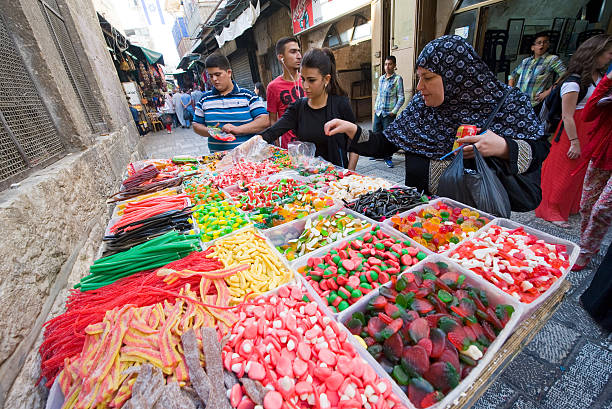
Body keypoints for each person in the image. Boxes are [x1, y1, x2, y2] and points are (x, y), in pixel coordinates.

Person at [323, 35, 548, 195]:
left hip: (478, 224)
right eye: (419, 77)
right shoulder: (421, 107)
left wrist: (504, 147)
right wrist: (352, 129)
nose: (420, 86)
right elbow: (386, 143)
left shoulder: (506, 102)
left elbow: (540, 149)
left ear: (457, 75)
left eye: (428, 78)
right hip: (421, 215)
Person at [536, 35, 612, 228]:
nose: (610, 58)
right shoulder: (574, 81)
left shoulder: (599, 78)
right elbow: (567, 115)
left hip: (589, 131)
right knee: (564, 172)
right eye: (608, 53)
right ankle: (552, 209)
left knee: (578, 172)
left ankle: (568, 206)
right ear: (596, 54)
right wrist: (575, 141)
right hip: (572, 132)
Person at [253, 48, 357, 168]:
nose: (305, 86)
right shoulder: (298, 107)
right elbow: (272, 132)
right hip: (308, 176)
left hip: (337, 178)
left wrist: (350, 171)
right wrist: (249, 145)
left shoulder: (340, 104)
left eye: (311, 80)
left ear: (326, 79)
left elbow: (355, 138)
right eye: (303, 79)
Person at [572, 66, 612, 270]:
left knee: (601, 208)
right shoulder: (608, 82)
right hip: (602, 152)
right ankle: (590, 243)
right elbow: (588, 114)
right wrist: (607, 81)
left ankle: (585, 250)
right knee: (586, 205)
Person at [193, 54, 269, 152]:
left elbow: (265, 120)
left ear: (229, 72)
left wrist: (237, 129)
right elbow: (196, 125)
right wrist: (211, 131)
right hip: (218, 160)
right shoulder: (204, 99)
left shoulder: (248, 96)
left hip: (248, 159)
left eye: (218, 74)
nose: (214, 79)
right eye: (211, 76)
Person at [508, 32, 567, 115]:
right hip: (519, 100)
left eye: (545, 42)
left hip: (535, 102)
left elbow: (565, 74)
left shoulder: (551, 59)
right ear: (533, 47)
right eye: (539, 43)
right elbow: (512, 75)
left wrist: (548, 92)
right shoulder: (526, 61)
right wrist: (510, 90)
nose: (542, 45)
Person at [266, 36, 305, 148]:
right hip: (290, 147)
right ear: (281, 57)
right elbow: (273, 120)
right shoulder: (273, 87)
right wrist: (278, 146)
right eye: (293, 52)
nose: (299, 56)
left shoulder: (308, 80)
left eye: (299, 51)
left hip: (312, 143)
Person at [372, 55, 405, 168]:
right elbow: (379, 95)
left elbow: (401, 97)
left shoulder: (397, 79)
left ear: (394, 65)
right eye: (386, 64)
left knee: (387, 136)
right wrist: (376, 107)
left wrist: (394, 111)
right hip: (379, 112)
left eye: (390, 64)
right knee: (376, 133)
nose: (387, 66)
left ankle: (388, 157)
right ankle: (378, 154)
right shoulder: (381, 78)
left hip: (389, 113)